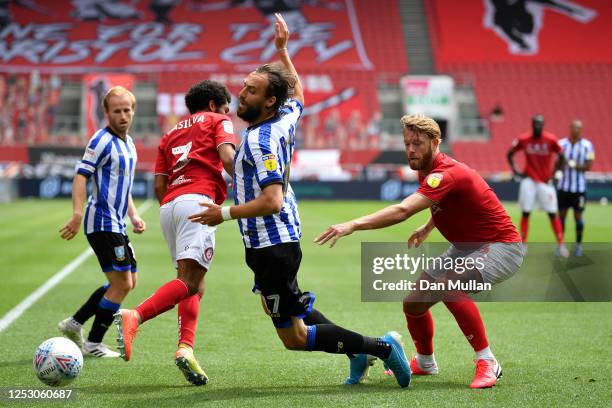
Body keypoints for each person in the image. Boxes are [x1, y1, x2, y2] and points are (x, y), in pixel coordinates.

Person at [188, 13, 411, 388]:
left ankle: (381, 347)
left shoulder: (261, 142)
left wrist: (222, 213)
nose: (242, 93)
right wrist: (283, 51)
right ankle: (358, 352)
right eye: (244, 86)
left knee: (294, 337)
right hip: (272, 240)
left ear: (270, 100)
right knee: (293, 310)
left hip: (271, 242)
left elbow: (271, 200)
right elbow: (300, 94)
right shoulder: (282, 118)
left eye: (252, 91)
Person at [315, 114, 525, 389]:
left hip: (501, 247)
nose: (411, 149)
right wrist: (428, 227)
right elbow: (446, 203)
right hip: (465, 248)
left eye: (417, 143)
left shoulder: (446, 173)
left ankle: (487, 361)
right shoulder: (426, 168)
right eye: (407, 143)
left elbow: (403, 211)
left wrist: (353, 224)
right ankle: (426, 362)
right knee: (413, 303)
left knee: (449, 288)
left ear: (436, 142)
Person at [114, 80, 235, 385]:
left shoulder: (170, 133)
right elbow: (228, 159)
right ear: (212, 105)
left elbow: (158, 185)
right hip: (198, 202)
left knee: (194, 283)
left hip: (169, 207)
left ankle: (185, 348)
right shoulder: (219, 120)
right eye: (224, 107)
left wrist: (175, 204)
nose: (227, 112)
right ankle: (136, 316)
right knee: (189, 281)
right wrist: (258, 185)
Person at [58, 86, 145, 358]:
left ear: (133, 111)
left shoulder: (129, 144)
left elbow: (124, 185)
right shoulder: (101, 141)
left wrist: (133, 214)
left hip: (118, 223)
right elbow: (81, 176)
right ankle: (93, 343)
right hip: (102, 222)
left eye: (127, 110)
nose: (123, 115)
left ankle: (74, 323)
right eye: (116, 111)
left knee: (129, 280)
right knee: (122, 284)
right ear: (106, 112)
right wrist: (76, 213)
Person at [507, 114, 569, 256]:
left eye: (540, 124)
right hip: (528, 180)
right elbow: (510, 153)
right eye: (536, 123)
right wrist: (516, 170)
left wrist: (556, 173)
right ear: (532, 124)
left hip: (545, 181)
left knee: (553, 213)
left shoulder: (551, 139)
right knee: (526, 212)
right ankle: (523, 244)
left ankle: (561, 244)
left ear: (543, 125)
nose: (538, 126)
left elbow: (563, 156)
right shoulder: (524, 139)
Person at [556, 119, 594, 256]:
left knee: (578, 217)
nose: (576, 130)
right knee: (561, 218)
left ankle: (578, 245)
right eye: (573, 127)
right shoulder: (561, 144)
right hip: (563, 188)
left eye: (578, 128)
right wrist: (558, 168)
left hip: (579, 189)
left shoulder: (587, 146)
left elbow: (589, 166)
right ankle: (560, 245)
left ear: (581, 130)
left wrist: (574, 165)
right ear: (570, 128)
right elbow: (557, 163)